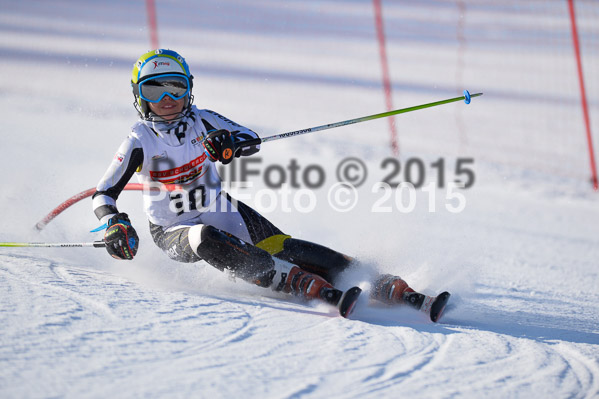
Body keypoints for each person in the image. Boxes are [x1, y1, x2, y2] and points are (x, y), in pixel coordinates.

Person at [92, 49, 445, 318]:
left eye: (175, 88)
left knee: (284, 245)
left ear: (189, 90)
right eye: (153, 90)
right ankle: (295, 281)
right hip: (174, 229)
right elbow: (104, 193)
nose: (166, 100)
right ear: (139, 96)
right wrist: (114, 222)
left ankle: (385, 285)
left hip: (221, 209)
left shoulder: (202, 120)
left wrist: (227, 141)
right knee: (203, 238)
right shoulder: (139, 139)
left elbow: (250, 138)